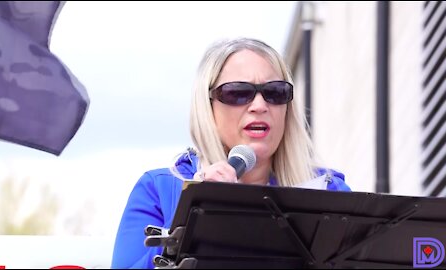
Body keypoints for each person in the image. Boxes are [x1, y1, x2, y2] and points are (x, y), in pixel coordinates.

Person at [111, 37, 351, 269]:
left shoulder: (330, 194)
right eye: (238, 92)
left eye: (275, 92)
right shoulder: (159, 190)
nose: (259, 105)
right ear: (207, 107)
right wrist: (194, 217)